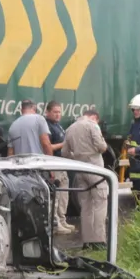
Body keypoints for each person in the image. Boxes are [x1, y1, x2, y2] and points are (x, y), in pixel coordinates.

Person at [62, 110, 109, 250]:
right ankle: (99, 241)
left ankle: (87, 242)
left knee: (86, 206)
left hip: (80, 171)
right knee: (100, 203)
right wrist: (104, 144)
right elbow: (101, 147)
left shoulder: (70, 129)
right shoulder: (92, 125)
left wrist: (77, 158)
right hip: (95, 170)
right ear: (94, 117)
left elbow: (64, 153)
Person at [44, 101, 75, 234]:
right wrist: (63, 145)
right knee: (55, 196)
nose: (58, 115)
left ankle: (62, 220)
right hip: (54, 163)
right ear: (48, 112)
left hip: (62, 163)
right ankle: (55, 224)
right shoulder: (47, 127)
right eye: (55, 112)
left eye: (59, 112)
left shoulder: (58, 126)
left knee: (64, 194)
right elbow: (47, 147)